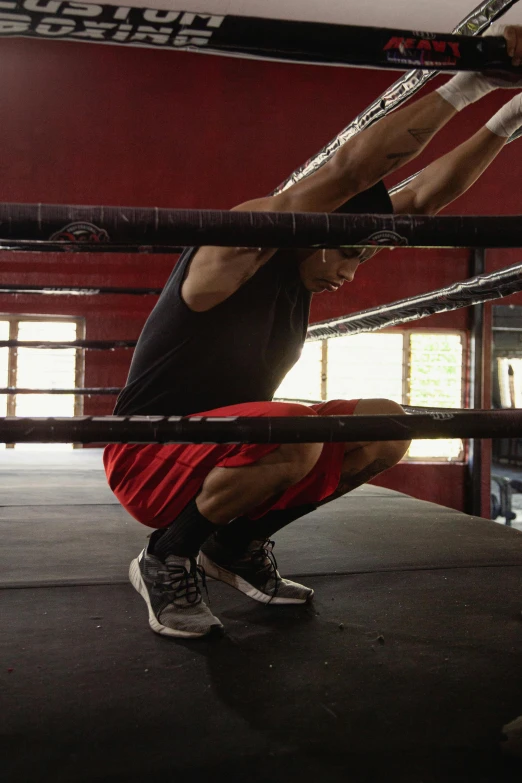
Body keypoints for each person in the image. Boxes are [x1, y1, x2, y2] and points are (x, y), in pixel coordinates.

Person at [104, 25, 522, 639]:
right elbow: (352, 168)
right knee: (295, 431)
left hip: (235, 448)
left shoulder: (313, 264)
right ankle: (166, 553)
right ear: (315, 234)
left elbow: (424, 200)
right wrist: (477, 78)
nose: (351, 275)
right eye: (347, 257)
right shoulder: (238, 251)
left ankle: (233, 547)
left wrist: (513, 114)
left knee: (387, 425)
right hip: (149, 455)